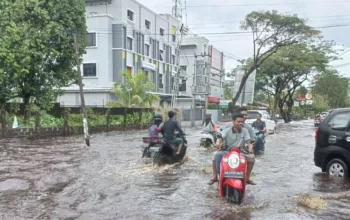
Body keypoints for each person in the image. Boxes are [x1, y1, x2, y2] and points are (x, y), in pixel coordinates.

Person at [208, 113, 256, 185]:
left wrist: (250, 148)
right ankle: (216, 176)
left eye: (242, 122)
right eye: (238, 121)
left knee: (252, 157)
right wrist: (218, 143)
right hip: (227, 151)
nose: (240, 123)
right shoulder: (227, 130)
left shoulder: (245, 131)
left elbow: (249, 141)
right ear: (233, 122)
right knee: (216, 155)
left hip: (240, 152)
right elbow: (220, 137)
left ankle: (247, 178)